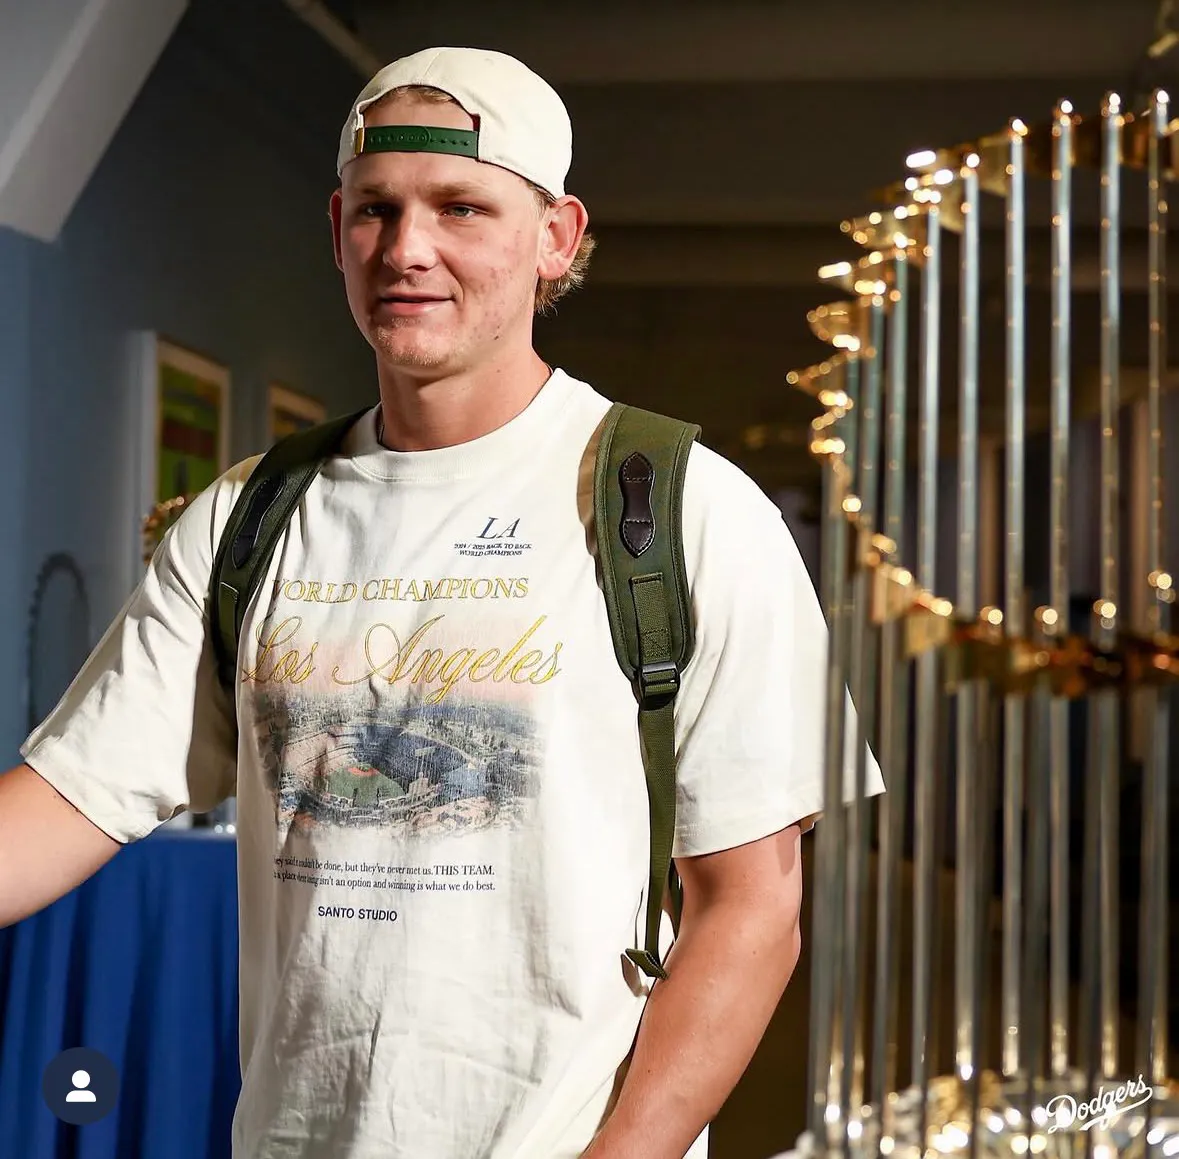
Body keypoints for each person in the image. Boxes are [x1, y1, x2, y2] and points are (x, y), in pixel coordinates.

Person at [0, 46, 882, 1159]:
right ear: (335, 230)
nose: (407, 250)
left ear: (556, 236)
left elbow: (751, 911)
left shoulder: (680, 510)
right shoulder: (249, 516)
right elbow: (64, 801)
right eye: (377, 211)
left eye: (460, 206)